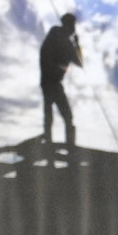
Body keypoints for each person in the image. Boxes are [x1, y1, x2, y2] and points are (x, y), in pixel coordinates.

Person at [40, 12, 83, 144]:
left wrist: (76, 45)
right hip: (50, 81)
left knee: (55, 114)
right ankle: (55, 143)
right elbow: (79, 62)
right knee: (59, 115)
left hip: (51, 81)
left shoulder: (60, 37)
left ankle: (55, 142)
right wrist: (76, 45)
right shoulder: (57, 34)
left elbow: (79, 62)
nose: (73, 28)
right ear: (68, 25)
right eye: (72, 25)